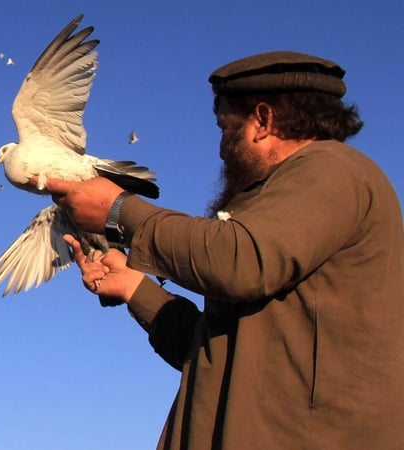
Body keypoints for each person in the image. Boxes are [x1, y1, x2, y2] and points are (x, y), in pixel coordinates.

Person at [43, 51, 404, 449]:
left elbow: (240, 261)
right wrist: (134, 287)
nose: (219, 150)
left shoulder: (332, 168)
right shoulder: (279, 213)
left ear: (263, 121)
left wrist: (120, 210)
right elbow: (212, 357)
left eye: (223, 128)